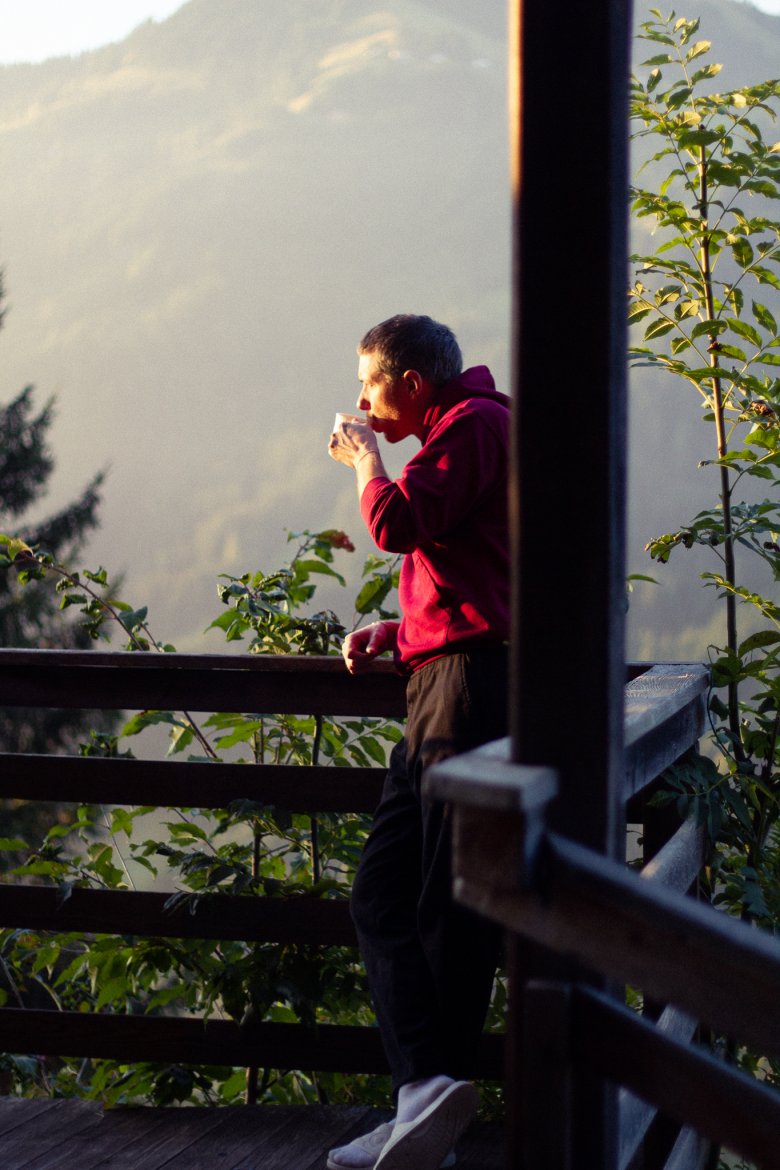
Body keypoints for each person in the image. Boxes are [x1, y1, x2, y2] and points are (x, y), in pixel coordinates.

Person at [327, 314, 510, 1170]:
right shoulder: (464, 429)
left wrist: (367, 460)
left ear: (411, 383)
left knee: (441, 901)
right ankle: (424, 1094)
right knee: (383, 894)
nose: (360, 401)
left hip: (465, 691)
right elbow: (471, 571)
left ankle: (430, 1097)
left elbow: (399, 524)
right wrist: (399, 635)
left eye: (371, 383)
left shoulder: (473, 426)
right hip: (443, 679)